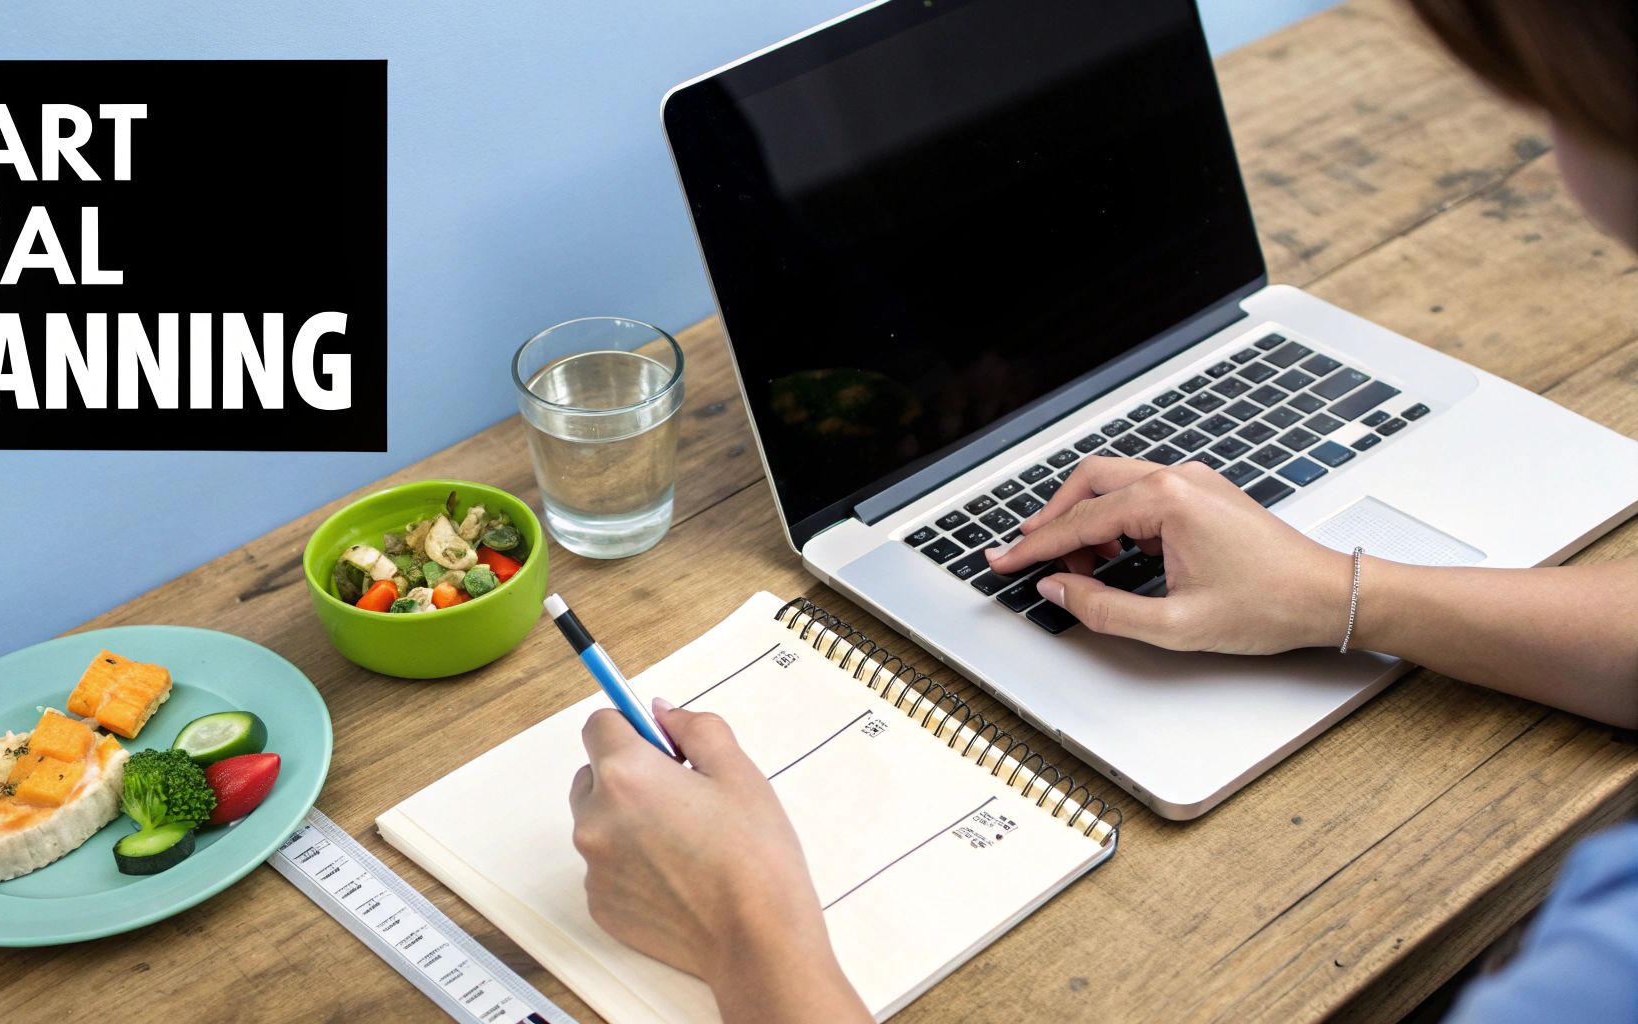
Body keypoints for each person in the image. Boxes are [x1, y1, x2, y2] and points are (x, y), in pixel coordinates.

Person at [567, 1, 1638, 1020]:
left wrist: (746, 928)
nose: (1542, 140)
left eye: (1543, 94)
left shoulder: (1598, 967)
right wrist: (1335, 593)